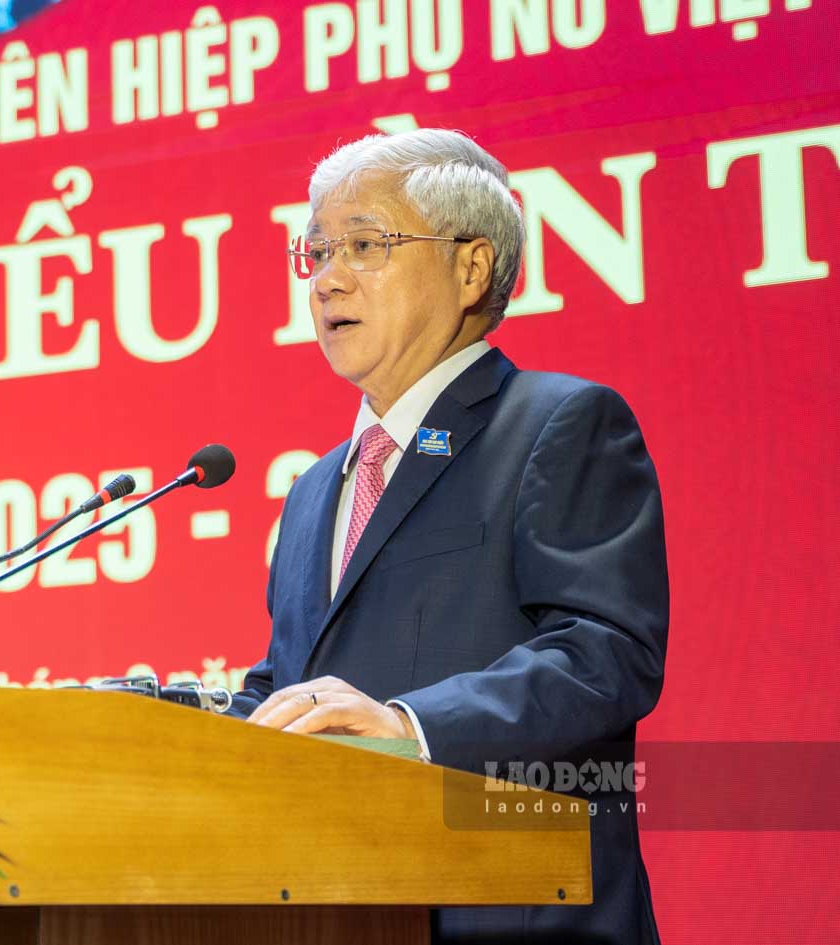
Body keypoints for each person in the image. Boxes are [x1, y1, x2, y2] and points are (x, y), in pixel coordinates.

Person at [230, 129, 668, 944]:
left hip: (516, 915)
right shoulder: (313, 490)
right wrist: (183, 724)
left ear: (471, 268)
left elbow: (604, 654)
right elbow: (298, 686)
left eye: (366, 244)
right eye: (317, 250)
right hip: (347, 910)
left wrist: (409, 724)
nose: (328, 279)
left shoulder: (558, 425)